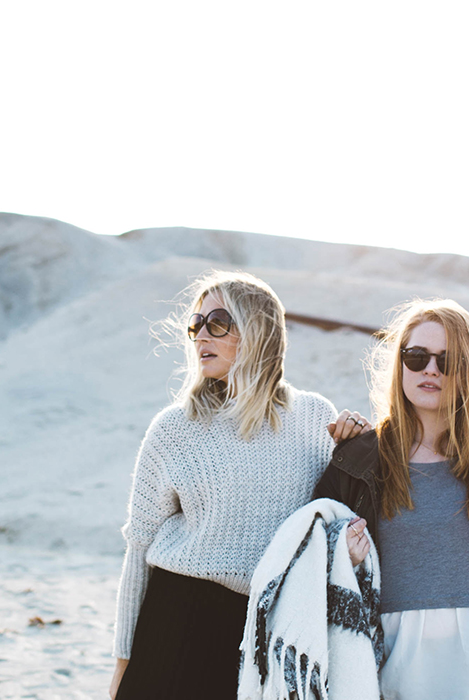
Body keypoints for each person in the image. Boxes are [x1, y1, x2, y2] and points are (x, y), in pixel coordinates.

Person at [109, 270, 369, 700]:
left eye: (217, 323)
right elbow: (139, 548)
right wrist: (123, 663)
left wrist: (357, 445)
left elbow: (330, 519)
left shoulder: (314, 417)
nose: (201, 335)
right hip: (177, 621)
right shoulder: (174, 428)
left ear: (259, 331)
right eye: (195, 324)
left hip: (267, 627)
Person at [313, 299, 469, 700]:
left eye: (449, 361)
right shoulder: (357, 463)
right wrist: (343, 557)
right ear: (400, 364)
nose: (430, 369)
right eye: (416, 357)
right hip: (382, 676)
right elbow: (309, 566)